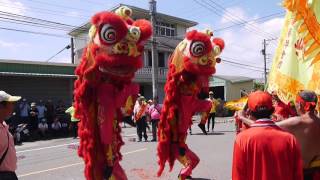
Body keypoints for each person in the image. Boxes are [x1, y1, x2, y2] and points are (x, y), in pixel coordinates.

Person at [232, 91, 303, 180]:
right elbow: (297, 175)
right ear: (272, 110)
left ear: (249, 111)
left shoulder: (242, 139)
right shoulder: (290, 139)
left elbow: (238, 175)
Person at [276, 90, 320, 179]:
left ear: (300, 104)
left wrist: (243, 117)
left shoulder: (297, 121)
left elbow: (264, 126)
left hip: (302, 173)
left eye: (295, 103)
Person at [0, 91, 21, 180]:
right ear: (1, 106)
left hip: (9, 174)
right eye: (11, 103)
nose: (13, 106)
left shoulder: (3, 124)